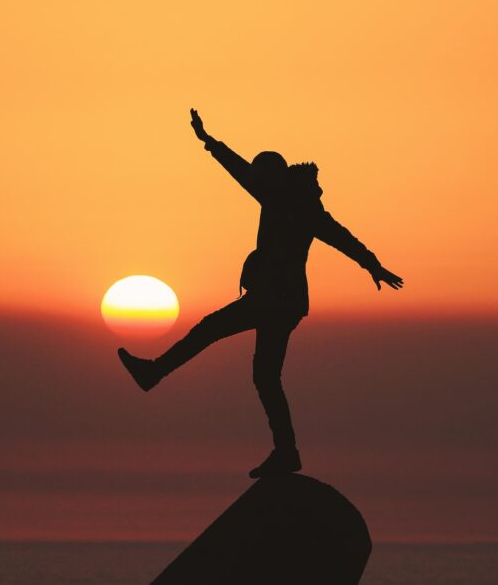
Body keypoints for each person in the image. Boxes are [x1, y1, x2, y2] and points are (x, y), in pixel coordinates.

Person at [118, 109, 404, 478]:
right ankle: (286, 452)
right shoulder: (297, 202)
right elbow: (339, 234)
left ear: (271, 176)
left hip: (273, 300)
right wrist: (209, 142)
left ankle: (154, 373)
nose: (256, 182)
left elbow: (340, 236)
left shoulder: (287, 201)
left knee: (211, 330)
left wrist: (373, 264)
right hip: (284, 304)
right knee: (265, 375)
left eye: (260, 177)